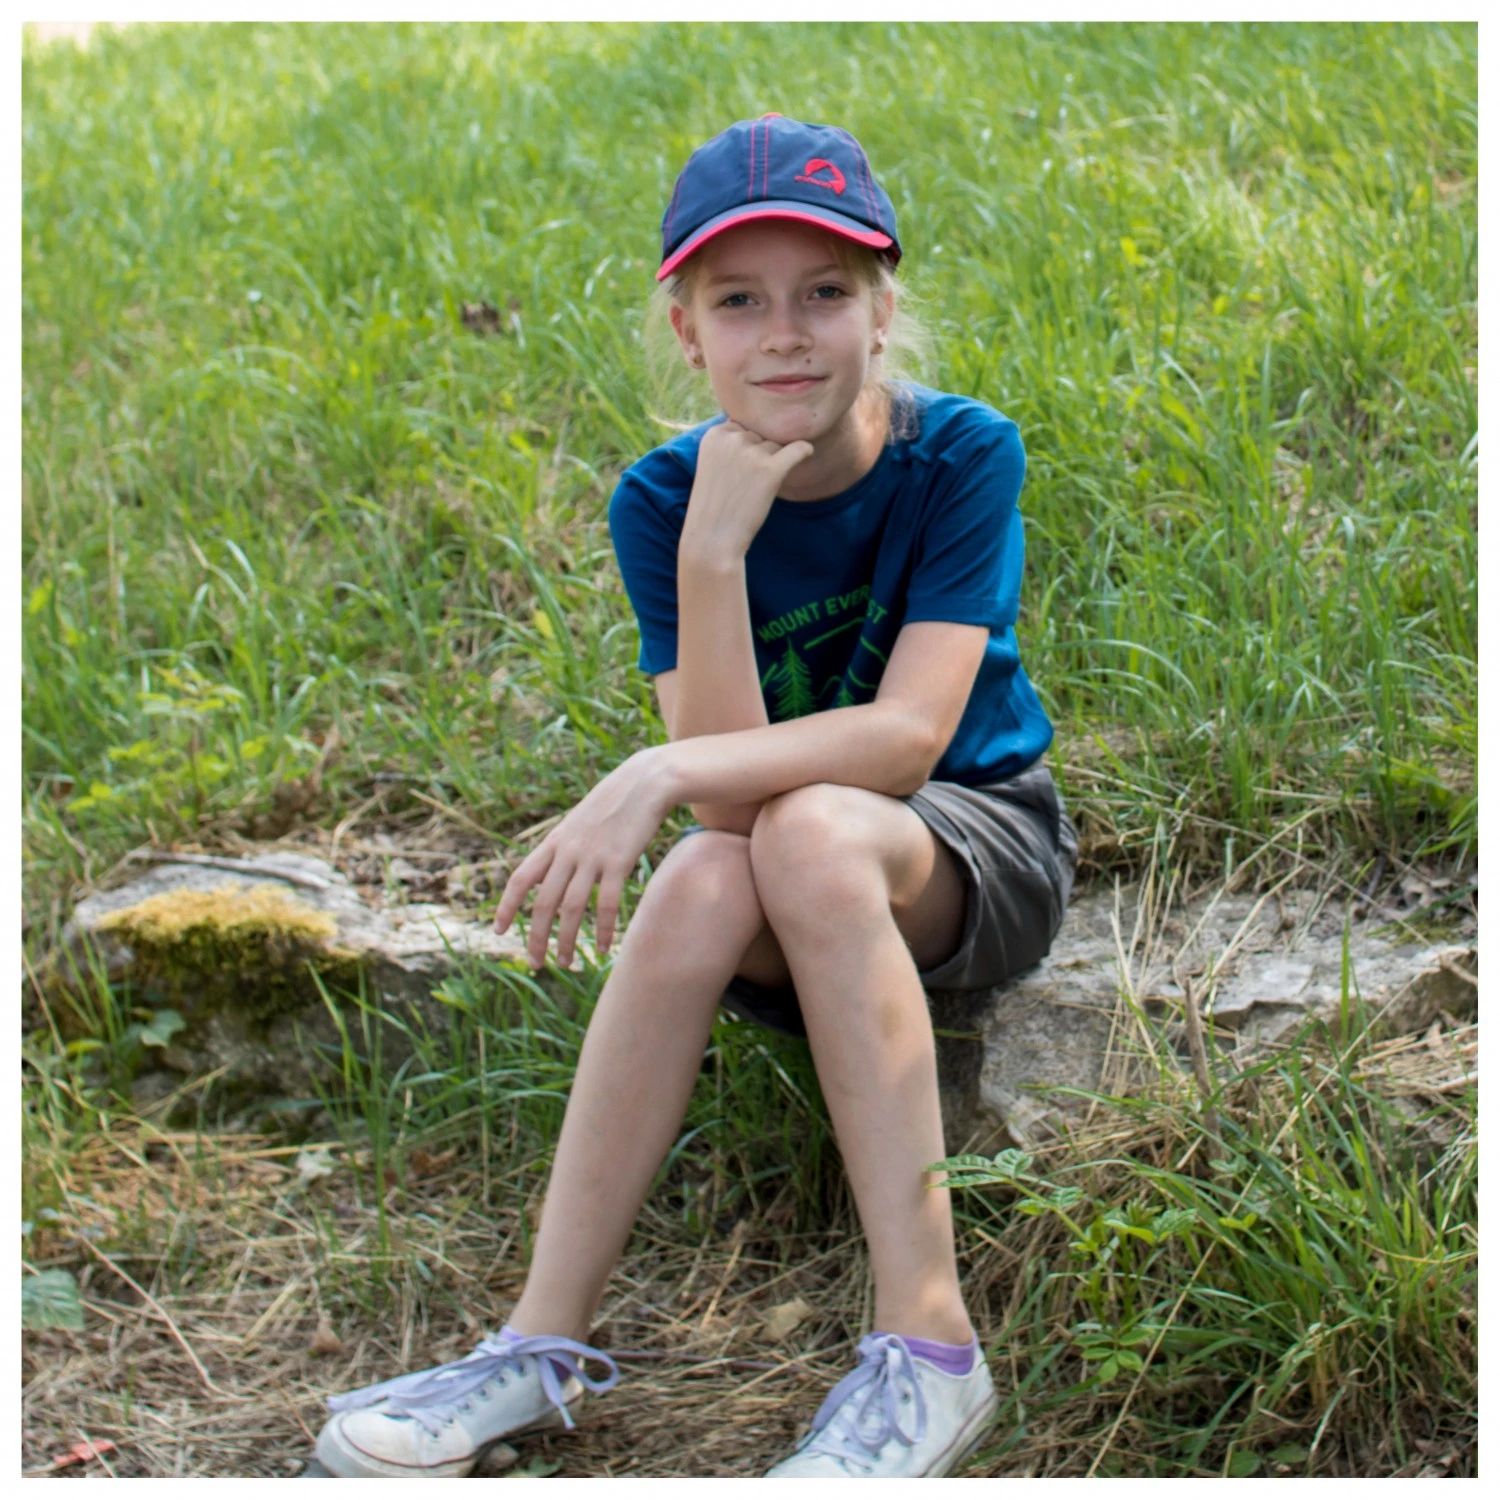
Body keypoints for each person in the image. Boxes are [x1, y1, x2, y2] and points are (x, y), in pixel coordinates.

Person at [312, 113, 1078, 1480]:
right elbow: (731, 816)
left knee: (812, 828)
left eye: (824, 292)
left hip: (973, 847)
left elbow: (908, 740)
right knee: (710, 868)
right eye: (739, 302)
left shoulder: (962, 455)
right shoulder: (664, 501)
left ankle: (931, 1350)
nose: (785, 335)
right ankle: (540, 1342)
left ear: (882, 311)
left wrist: (656, 767)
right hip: (783, 863)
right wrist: (717, 554)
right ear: (687, 332)